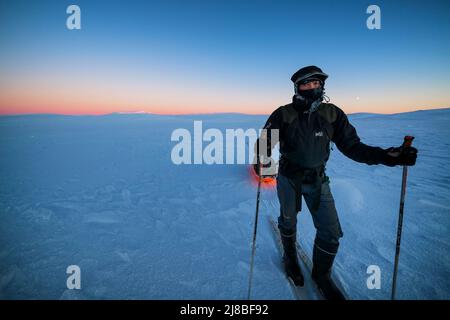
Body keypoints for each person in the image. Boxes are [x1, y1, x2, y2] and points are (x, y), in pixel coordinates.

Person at [254, 65, 418, 300]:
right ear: (297, 86)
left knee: (331, 231)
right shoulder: (284, 114)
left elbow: (353, 147)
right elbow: (264, 144)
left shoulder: (332, 114)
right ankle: (290, 257)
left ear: (322, 85)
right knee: (288, 221)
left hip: (319, 180)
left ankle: (322, 276)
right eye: (306, 83)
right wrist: (262, 162)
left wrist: (386, 156)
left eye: (316, 83)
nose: (312, 87)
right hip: (289, 178)